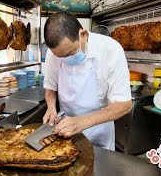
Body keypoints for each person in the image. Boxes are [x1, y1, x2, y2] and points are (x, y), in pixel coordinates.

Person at [43, 12, 132, 150]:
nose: (66, 59)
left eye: (70, 53)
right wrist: (51, 107)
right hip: (65, 128)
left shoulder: (111, 50)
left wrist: (82, 122)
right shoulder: (54, 52)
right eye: (61, 57)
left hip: (99, 129)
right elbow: (50, 85)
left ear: (83, 34)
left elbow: (124, 105)